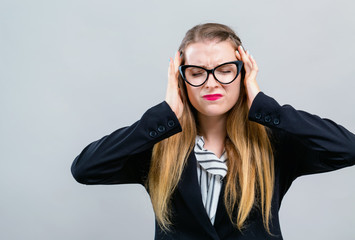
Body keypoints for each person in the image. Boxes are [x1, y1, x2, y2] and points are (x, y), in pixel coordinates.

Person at [71, 23, 355, 239]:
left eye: (225, 70)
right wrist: (163, 114)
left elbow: (348, 148)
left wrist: (265, 106)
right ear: (181, 79)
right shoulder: (158, 144)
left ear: (243, 73)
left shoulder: (273, 143)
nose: (211, 83)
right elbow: (85, 169)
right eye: (197, 72)